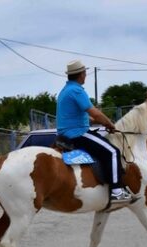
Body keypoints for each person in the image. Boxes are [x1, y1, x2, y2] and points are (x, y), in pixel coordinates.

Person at [56, 60, 131, 203]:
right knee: (113, 151)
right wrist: (109, 123)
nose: (85, 75)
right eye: (85, 73)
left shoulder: (65, 91)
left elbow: (87, 119)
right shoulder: (76, 90)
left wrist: (101, 123)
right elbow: (95, 113)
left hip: (67, 133)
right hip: (76, 134)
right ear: (81, 75)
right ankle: (116, 191)